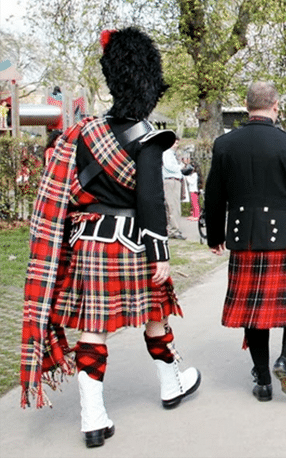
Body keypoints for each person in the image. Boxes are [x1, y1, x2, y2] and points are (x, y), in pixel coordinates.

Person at [20, 27, 200, 448]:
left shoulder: (84, 133)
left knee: (93, 328)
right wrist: (161, 253)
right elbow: (152, 201)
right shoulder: (149, 139)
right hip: (136, 243)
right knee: (157, 316)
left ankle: (93, 418)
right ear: (148, 83)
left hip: (89, 244)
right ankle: (171, 384)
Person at [205, 82, 286, 402]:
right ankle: (285, 359)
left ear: (247, 106)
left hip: (243, 237)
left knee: (253, 313)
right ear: (275, 105)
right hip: (285, 237)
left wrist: (215, 236)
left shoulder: (225, 143)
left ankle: (263, 381)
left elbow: (214, 195)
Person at [162, 140, 186, 240]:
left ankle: (172, 228)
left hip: (174, 180)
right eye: (176, 143)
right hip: (171, 180)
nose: (177, 145)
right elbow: (169, 167)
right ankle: (173, 230)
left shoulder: (171, 154)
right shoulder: (167, 153)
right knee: (173, 206)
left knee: (173, 206)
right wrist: (180, 166)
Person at [181, 156, 201, 222]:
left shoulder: (195, 174)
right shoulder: (192, 174)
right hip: (191, 190)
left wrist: (187, 178)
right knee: (193, 203)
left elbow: (191, 182)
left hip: (194, 190)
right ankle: (194, 214)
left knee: (195, 203)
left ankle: (197, 215)